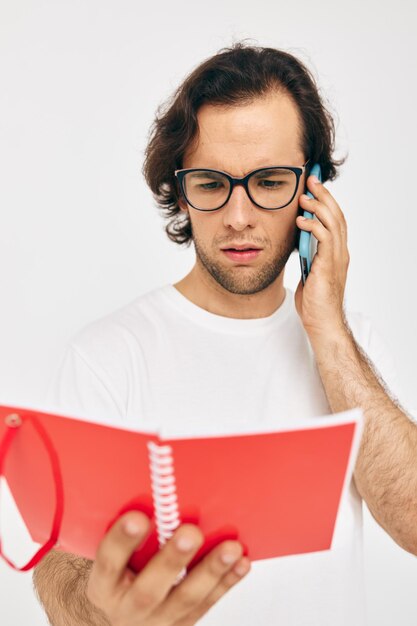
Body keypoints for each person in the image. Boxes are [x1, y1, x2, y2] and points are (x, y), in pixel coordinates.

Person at [32, 42, 417, 626]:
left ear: (313, 189)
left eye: (268, 181)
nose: (239, 216)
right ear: (181, 190)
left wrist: (328, 332)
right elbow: (61, 572)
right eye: (212, 183)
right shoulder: (109, 355)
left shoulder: (350, 351)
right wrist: (105, 611)